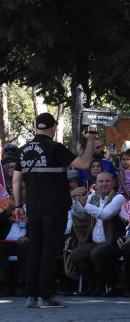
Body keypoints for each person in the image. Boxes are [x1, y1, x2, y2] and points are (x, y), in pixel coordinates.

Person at [12, 113, 97, 308]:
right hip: (55, 207)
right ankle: (45, 296)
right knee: (49, 252)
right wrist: (90, 141)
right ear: (53, 128)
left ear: (35, 128)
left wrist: (18, 206)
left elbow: (16, 180)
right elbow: (84, 164)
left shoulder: (23, 150)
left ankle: (31, 296)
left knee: (35, 250)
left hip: (33, 208)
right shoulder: (55, 148)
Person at [70, 172, 126, 297]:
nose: (104, 184)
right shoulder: (93, 197)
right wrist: (75, 199)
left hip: (113, 242)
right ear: (96, 184)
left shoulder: (118, 198)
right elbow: (81, 214)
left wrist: (85, 204)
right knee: (76, 254)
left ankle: (115, 285)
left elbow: (105, 214)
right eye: (101, 181)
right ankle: (93, 284)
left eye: (107, 181)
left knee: (97, 253)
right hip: (95, 242)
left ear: (113, 183)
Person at [0, 182, 28, 297]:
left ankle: (20, 285)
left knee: (26, 247)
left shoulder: (33, 206)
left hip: (25, 241)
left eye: (22, 189)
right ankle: (3, 285)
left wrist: (28, 237)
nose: (19, 192)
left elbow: (40, 226)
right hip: (6, 241)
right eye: (17, 189)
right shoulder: (5, 204)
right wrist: (8, 211)